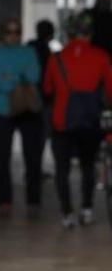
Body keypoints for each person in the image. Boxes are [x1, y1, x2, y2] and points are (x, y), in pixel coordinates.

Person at [43, 11, 112, 228]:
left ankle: (67, 213)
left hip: (62, 120)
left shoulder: (56, 59)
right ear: (90, 33)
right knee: (88, 165)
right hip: (90, 120)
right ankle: (87, 209)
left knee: (61, 169)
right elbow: (110, 92)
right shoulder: (102, 57)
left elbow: (47, 89)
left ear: (69, 33)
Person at [0, 18, 45, 217]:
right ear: (3, 34)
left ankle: (34, 199)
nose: (13, 36)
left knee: (33, 157)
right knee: (1, 158)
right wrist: (17, 78)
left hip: (28, 109)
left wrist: (8, 77)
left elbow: (34, 76)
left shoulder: (29, 52)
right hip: (1, 111)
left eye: (17, 32)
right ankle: (4, 200)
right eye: (9, 32)